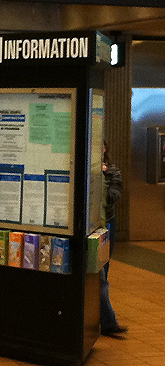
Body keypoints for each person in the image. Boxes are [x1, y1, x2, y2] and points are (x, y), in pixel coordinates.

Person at [100, 140, 128, 337]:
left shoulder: (112, 172)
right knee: (99, 277)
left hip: (106, 225)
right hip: (88, 225)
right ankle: (107, 321)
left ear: (105, 149)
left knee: (103, 273)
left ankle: (104, 319)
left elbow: (113, 197)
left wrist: (99, 178)